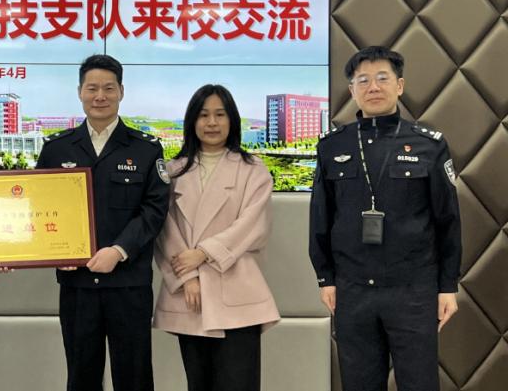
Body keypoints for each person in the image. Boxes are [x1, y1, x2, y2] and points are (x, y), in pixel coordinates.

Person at [309, 46, 461, 391]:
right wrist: (325, 278)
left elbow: (448, 220)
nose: (373, 87)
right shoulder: (332, 146)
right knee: (359, 383)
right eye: (363, 80)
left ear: (400, 86)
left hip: (414, 290)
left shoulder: (428, 145)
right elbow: (320, 217)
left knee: (419, 383)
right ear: (352, 90)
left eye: (382, 78)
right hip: (352, 290)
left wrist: (447, 286)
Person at [35, 54, 170, 391]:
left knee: (134, 377)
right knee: (81, 376)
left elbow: (154, 210)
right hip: (77, 285)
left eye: (108, 88)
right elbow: (38, 208)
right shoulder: (56, 149)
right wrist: (54, 251)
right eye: (92, 88)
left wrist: (119, 250)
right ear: (80, 92)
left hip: (129, 284)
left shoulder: (146, 149)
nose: (100, 96)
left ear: (121, 92)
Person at [153, 84, 279, 391]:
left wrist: (203, 253)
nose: (212, 122)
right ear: (192, 121)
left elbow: (252, 226)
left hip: (238, 291)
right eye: (203, 115)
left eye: (220, 115)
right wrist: (188, 277)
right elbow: (164, 230)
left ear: (232, 120)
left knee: (240, 383)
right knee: (198, 384)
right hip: (190, 295)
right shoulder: (173, 171)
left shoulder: (253, 170)